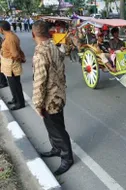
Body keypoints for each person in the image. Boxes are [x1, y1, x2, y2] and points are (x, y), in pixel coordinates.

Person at [32, 20, 73, 175]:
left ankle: (67, 157)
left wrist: (37, 104)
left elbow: (39, 81)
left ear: (33, 34)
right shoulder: (54, 47)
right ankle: (56, 149)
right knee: (54, 127)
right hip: (59, 94)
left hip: (50, 99)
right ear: (49, 33)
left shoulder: (40, 53)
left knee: (57, 129)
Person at [0, 21, 25, 110]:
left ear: (1, 29)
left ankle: (20, 103)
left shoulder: (10, 38)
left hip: (12, 64)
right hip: (9, 64)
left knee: (15, 85)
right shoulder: (9, 36)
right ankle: (15, 99)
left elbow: (14, 54)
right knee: (12, 84)